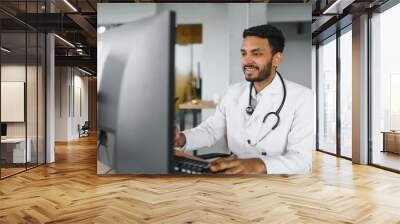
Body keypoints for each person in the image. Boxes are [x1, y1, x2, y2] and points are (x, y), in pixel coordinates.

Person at [175, 24, 314, 174]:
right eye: (243, 53)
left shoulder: (302, 97)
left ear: (276, 59)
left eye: (256, 54)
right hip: (235, 178)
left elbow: (302, 161)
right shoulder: (233, 91)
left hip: (277, 182)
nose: (247, 61)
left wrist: (257, 165)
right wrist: (181, 138)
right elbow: (211, 130)